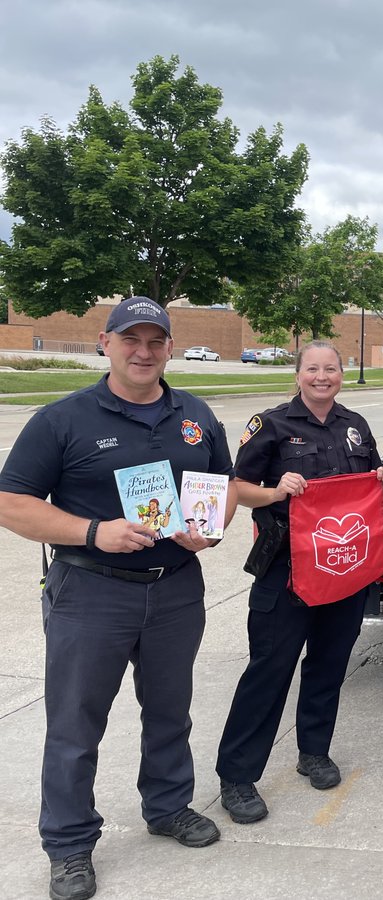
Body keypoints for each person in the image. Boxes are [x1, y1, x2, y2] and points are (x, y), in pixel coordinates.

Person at [0, 296, 236, 900]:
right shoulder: (63, 419)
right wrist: (92, 530)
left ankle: (167, 806)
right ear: (105, 344)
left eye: (155, 340)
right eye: (131, 339)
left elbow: (221, 488)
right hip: (91, 591)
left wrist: (209, 527)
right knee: (76, 725)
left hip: (176, 588)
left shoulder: (195, 413)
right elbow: (12, 503)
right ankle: (70, 843)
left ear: (169, 347)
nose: (144, 351)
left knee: (169, 711)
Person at [215, 341, 383, 825]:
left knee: (328, 665)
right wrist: (276, 490)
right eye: (313, 369)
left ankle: (313, 752)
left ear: (342, 374)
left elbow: (371, 483)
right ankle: (237, 777)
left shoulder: (356, 426)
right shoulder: (271, 424)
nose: (323, 376)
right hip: (285, 568)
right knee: (269, 669)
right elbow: (239, 486)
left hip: (344, 565)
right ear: (298, 374)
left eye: (331, 368)